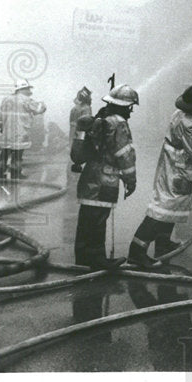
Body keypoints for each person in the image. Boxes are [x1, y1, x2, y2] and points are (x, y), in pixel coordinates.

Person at [126, 82, 192, 269]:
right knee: (162, 210)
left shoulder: (181, 114)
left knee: (171, 209)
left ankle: (163, 244)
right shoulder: (188, 122)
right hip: (177, 171)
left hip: (175, 167)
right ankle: (136, 251)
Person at [73, 84, 139, 270]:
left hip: (89, 177)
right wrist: (131, 180)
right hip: (105, 180)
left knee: (86, 220)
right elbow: (125, 154)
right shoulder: (119, 123)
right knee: (98, 220)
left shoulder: (100, 119)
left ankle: (83, 259)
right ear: (124, 106)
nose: (131, 111)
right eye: (130, 107)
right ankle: (97, 260)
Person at [0, 79, 47, 180]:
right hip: (20, 132)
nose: (29, 91)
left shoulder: (6, 100)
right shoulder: (26, 100)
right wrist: (43, 104)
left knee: (4, 153)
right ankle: (15, 174)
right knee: (18, 155)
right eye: (28, 88)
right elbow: (39, 109)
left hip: (7, 132)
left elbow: (0, 116)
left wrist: (2, 128)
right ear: (23, 89)